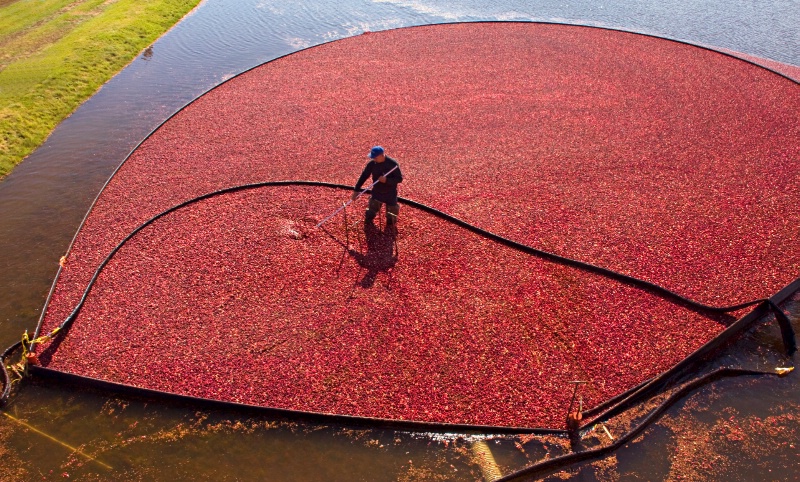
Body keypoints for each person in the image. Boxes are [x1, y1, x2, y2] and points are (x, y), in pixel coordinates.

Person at [352, 146, 403, 230]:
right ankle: (369, 224)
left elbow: (399, 179)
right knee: (370, 212)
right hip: (377, 191)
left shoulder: (392, 164)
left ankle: (389, 229)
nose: (374, 159)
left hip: (390, 193)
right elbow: (364, 176)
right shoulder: (372, 164)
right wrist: (356, 190)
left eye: (375, 157)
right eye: (373, 157)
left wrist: (387, 180)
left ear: (382, 155)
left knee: (392, 216)